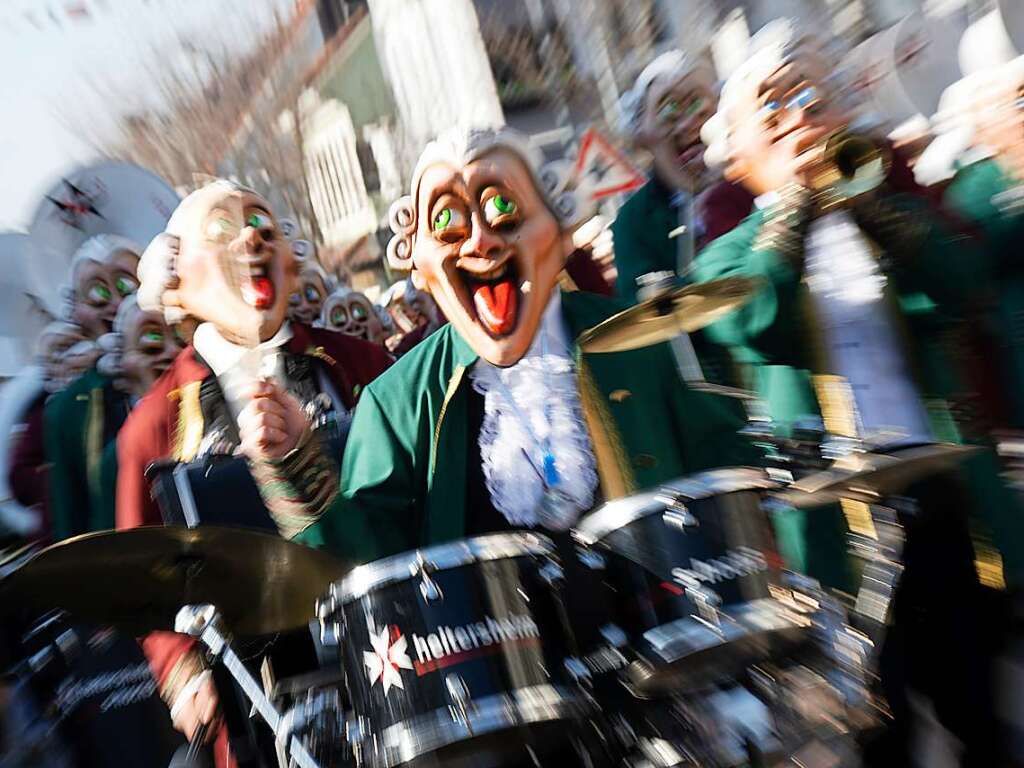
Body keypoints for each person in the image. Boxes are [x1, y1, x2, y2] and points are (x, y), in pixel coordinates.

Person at [693, 20, 1008, 764]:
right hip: (833, 522)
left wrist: (867, 203)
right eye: (772, 112)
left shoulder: (890, 212)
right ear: (738, 156)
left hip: (933, 494)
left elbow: (963, 288)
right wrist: (799, 209)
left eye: (810, 98)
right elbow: (759, 319)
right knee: (879, 732)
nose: (799, 118)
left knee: (980, 718)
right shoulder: (728, 252)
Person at [295, 127, 757, 566]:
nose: (480, 241)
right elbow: (367, 564)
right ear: (418, 264)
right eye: (448, 224)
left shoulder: (638, 338)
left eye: (504, 212)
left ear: (560, 236)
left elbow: (726, 471)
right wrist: (295, 466)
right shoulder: (396, 402)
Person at [114, 179, 391, 764]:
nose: (249, 238)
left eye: (263, 226)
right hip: (255, 696)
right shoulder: (152, 425)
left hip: (383, 649)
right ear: (177, 285)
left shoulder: (362, 366)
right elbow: (140, 576)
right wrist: (181, 670)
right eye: (222, 231)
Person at [613, 50, 754, 301]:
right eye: (669, 110)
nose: (688, 124)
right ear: (642, 133)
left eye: (698, 105)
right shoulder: (634, 221)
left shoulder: (756, 174)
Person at [42, 235, 141, 542]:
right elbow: (69, 520)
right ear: (75, 310)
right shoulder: (67, 409)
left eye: (126, 286)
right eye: (97, 293)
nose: (115, 303)